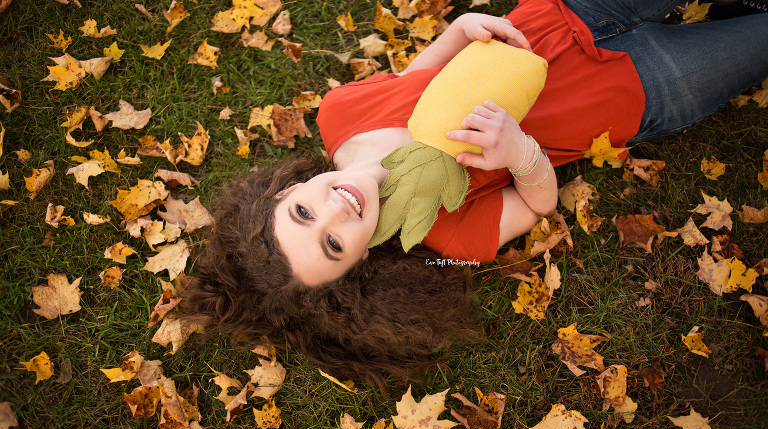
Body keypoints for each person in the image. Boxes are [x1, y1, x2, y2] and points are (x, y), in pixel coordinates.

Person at [182, 0, 768, 389]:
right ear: (360, 263)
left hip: (563, 12)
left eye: (304, 212)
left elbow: (417, 78)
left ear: (289, 188)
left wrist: (458, 32)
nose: (336, 208)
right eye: (333, 243)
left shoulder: (340, 114)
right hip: (639, 88)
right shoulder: (448, 230)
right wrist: (520, 155)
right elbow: (538, 205)